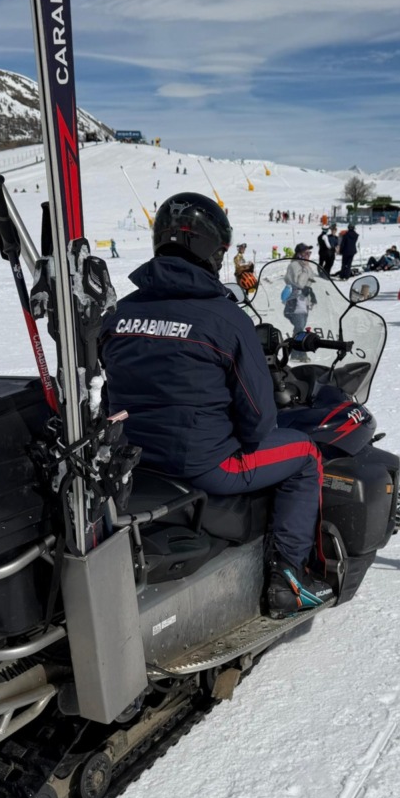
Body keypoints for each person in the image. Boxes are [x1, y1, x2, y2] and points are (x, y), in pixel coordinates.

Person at [100, 192, 332, 616]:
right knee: (305, 454)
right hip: (205, 465)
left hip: (132, 460)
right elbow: (259, 420)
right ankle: (289, 576)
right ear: (212, 250)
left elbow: (111, 389)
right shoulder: (225, 318)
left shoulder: (119, 313)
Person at [283, 243, 318, 353]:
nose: (308, 255)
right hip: (295, 301)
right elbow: (299, 283)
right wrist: (304, 269)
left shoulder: (305, 265)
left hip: (303, 300)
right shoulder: (294, 266)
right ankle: (296, 352)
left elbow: (311, 280)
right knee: (299, 328)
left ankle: (295, 351)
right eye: (306, 253)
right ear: (299, 255)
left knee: (301, 326)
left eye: (309, 253)